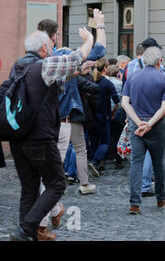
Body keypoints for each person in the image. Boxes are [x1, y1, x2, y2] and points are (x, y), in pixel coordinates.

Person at [9, 26, 95, 241]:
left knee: (29, 189)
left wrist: (76, 73)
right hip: (40, 137)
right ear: (45, 49)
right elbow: (77, 57)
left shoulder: (18, 66)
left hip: (18, 137)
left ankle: (24, 234)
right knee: (56, 184)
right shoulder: (45, 65)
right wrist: (91, 38)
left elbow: (57, 77)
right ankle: (26, 228)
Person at [121, 47, 165, 214]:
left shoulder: (133, 77)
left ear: (143, 61)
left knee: (136, 163)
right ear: (159, 62)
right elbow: (164, 107)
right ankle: (161, 198)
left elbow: (124, 103)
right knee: (158, 163)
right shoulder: (164, 79)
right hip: (155, 126)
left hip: (137, 126)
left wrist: (138, 122)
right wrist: (149, 124)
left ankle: (134, 203)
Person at [88, 58, 120, 176]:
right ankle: (95, 162)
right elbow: (117, 101)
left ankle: (94, 162)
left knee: (94, 142)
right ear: (106, 68)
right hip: (103, 116)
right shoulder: (107, 83)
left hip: (91, 116)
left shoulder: (91, 80)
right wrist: (113, 112)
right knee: (105, 142)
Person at [106, 65, 126, 169]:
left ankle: (107, 156)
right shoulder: (120, 84)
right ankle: (119, 160)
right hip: (118, 112)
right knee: (118, 136)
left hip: (106, 111)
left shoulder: (105, 82)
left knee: (107, 135)